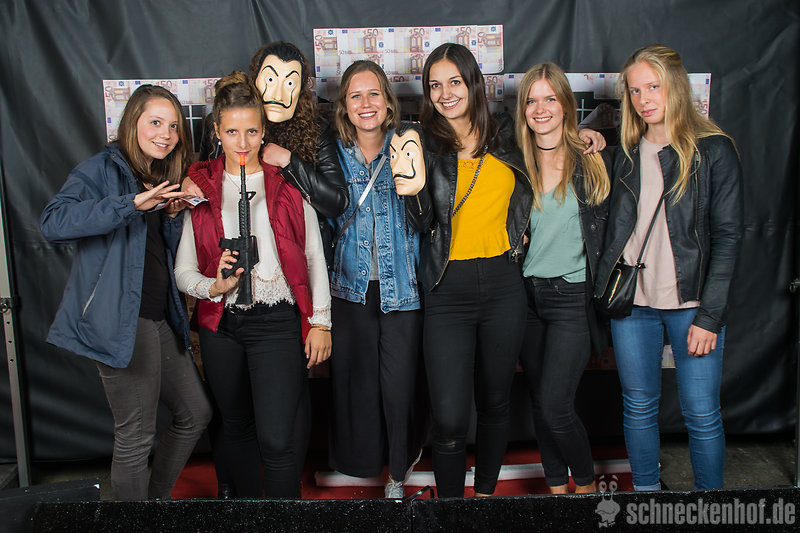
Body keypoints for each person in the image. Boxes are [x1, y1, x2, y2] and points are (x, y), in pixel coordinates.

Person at [401, 43, 603, 498]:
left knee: (495, 405)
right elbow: (421, 223)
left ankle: (486, 501)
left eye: (455, 81)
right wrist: (410, 186)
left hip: (504, 286)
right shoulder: (423, 144)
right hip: (446, 288)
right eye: (435, 85)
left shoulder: (508, 136)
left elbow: (552, 135)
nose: (446, 93)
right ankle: (452, 511)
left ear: (474, 83)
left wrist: (588, 135)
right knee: (450, 418)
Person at [189, 42, 347, 497]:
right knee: (235, 422)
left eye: (292, 80)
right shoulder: (213, 166)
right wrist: (211, 284)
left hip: (285, 302)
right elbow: (201, 197)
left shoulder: (299, 159)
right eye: (232, 132)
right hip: (225, 314)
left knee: (283, 429)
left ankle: (283, 506)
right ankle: (239, 501)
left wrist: (319, 320)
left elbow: (323, 226)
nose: (242, 141)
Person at [40, 84, 212, 500]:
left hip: (157, 316)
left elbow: (151, 252)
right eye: (155, 122)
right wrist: (130, 205)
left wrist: (170, 214)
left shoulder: (156, 175)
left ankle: (150, 507)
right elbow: (53, 222)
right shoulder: (102, 168)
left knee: (195, 413)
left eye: (173, 126)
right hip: (121, 320)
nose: (166, 134)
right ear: (133, 123)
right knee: (136, 436)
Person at [595, 44, 743, 491]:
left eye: (653, 87)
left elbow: (728, 237)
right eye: (635, 91)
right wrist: (592, 137)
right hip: (633, 303)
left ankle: (708, 504)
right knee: (638, 406)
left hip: (692, 304)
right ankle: (646, 496)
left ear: (676, 86)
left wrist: (710, 316)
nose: (644, 99)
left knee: (701, 412)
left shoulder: (713, 150)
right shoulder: (624, 150)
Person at [327, 60, 423, 499]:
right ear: (344, 106)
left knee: (400, 387)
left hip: (402, 288)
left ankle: (398, 474)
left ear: (387, 101)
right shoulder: (332, 154)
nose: (365, 104)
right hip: (350, 289)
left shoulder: (410, 146)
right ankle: (362, 464)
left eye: (373, 94)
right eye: (355, 96)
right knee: (359, 385)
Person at [514, 63, 611, 494]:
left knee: (556, 406)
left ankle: (586, 491)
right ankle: (557, 490)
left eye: (550, 98)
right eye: (531, 100)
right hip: (527, 297)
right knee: (540, 403)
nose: (540, 109)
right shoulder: (516, 163)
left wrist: (594, 134)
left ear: (567, 105)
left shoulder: (590, 159)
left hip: (572, 297)